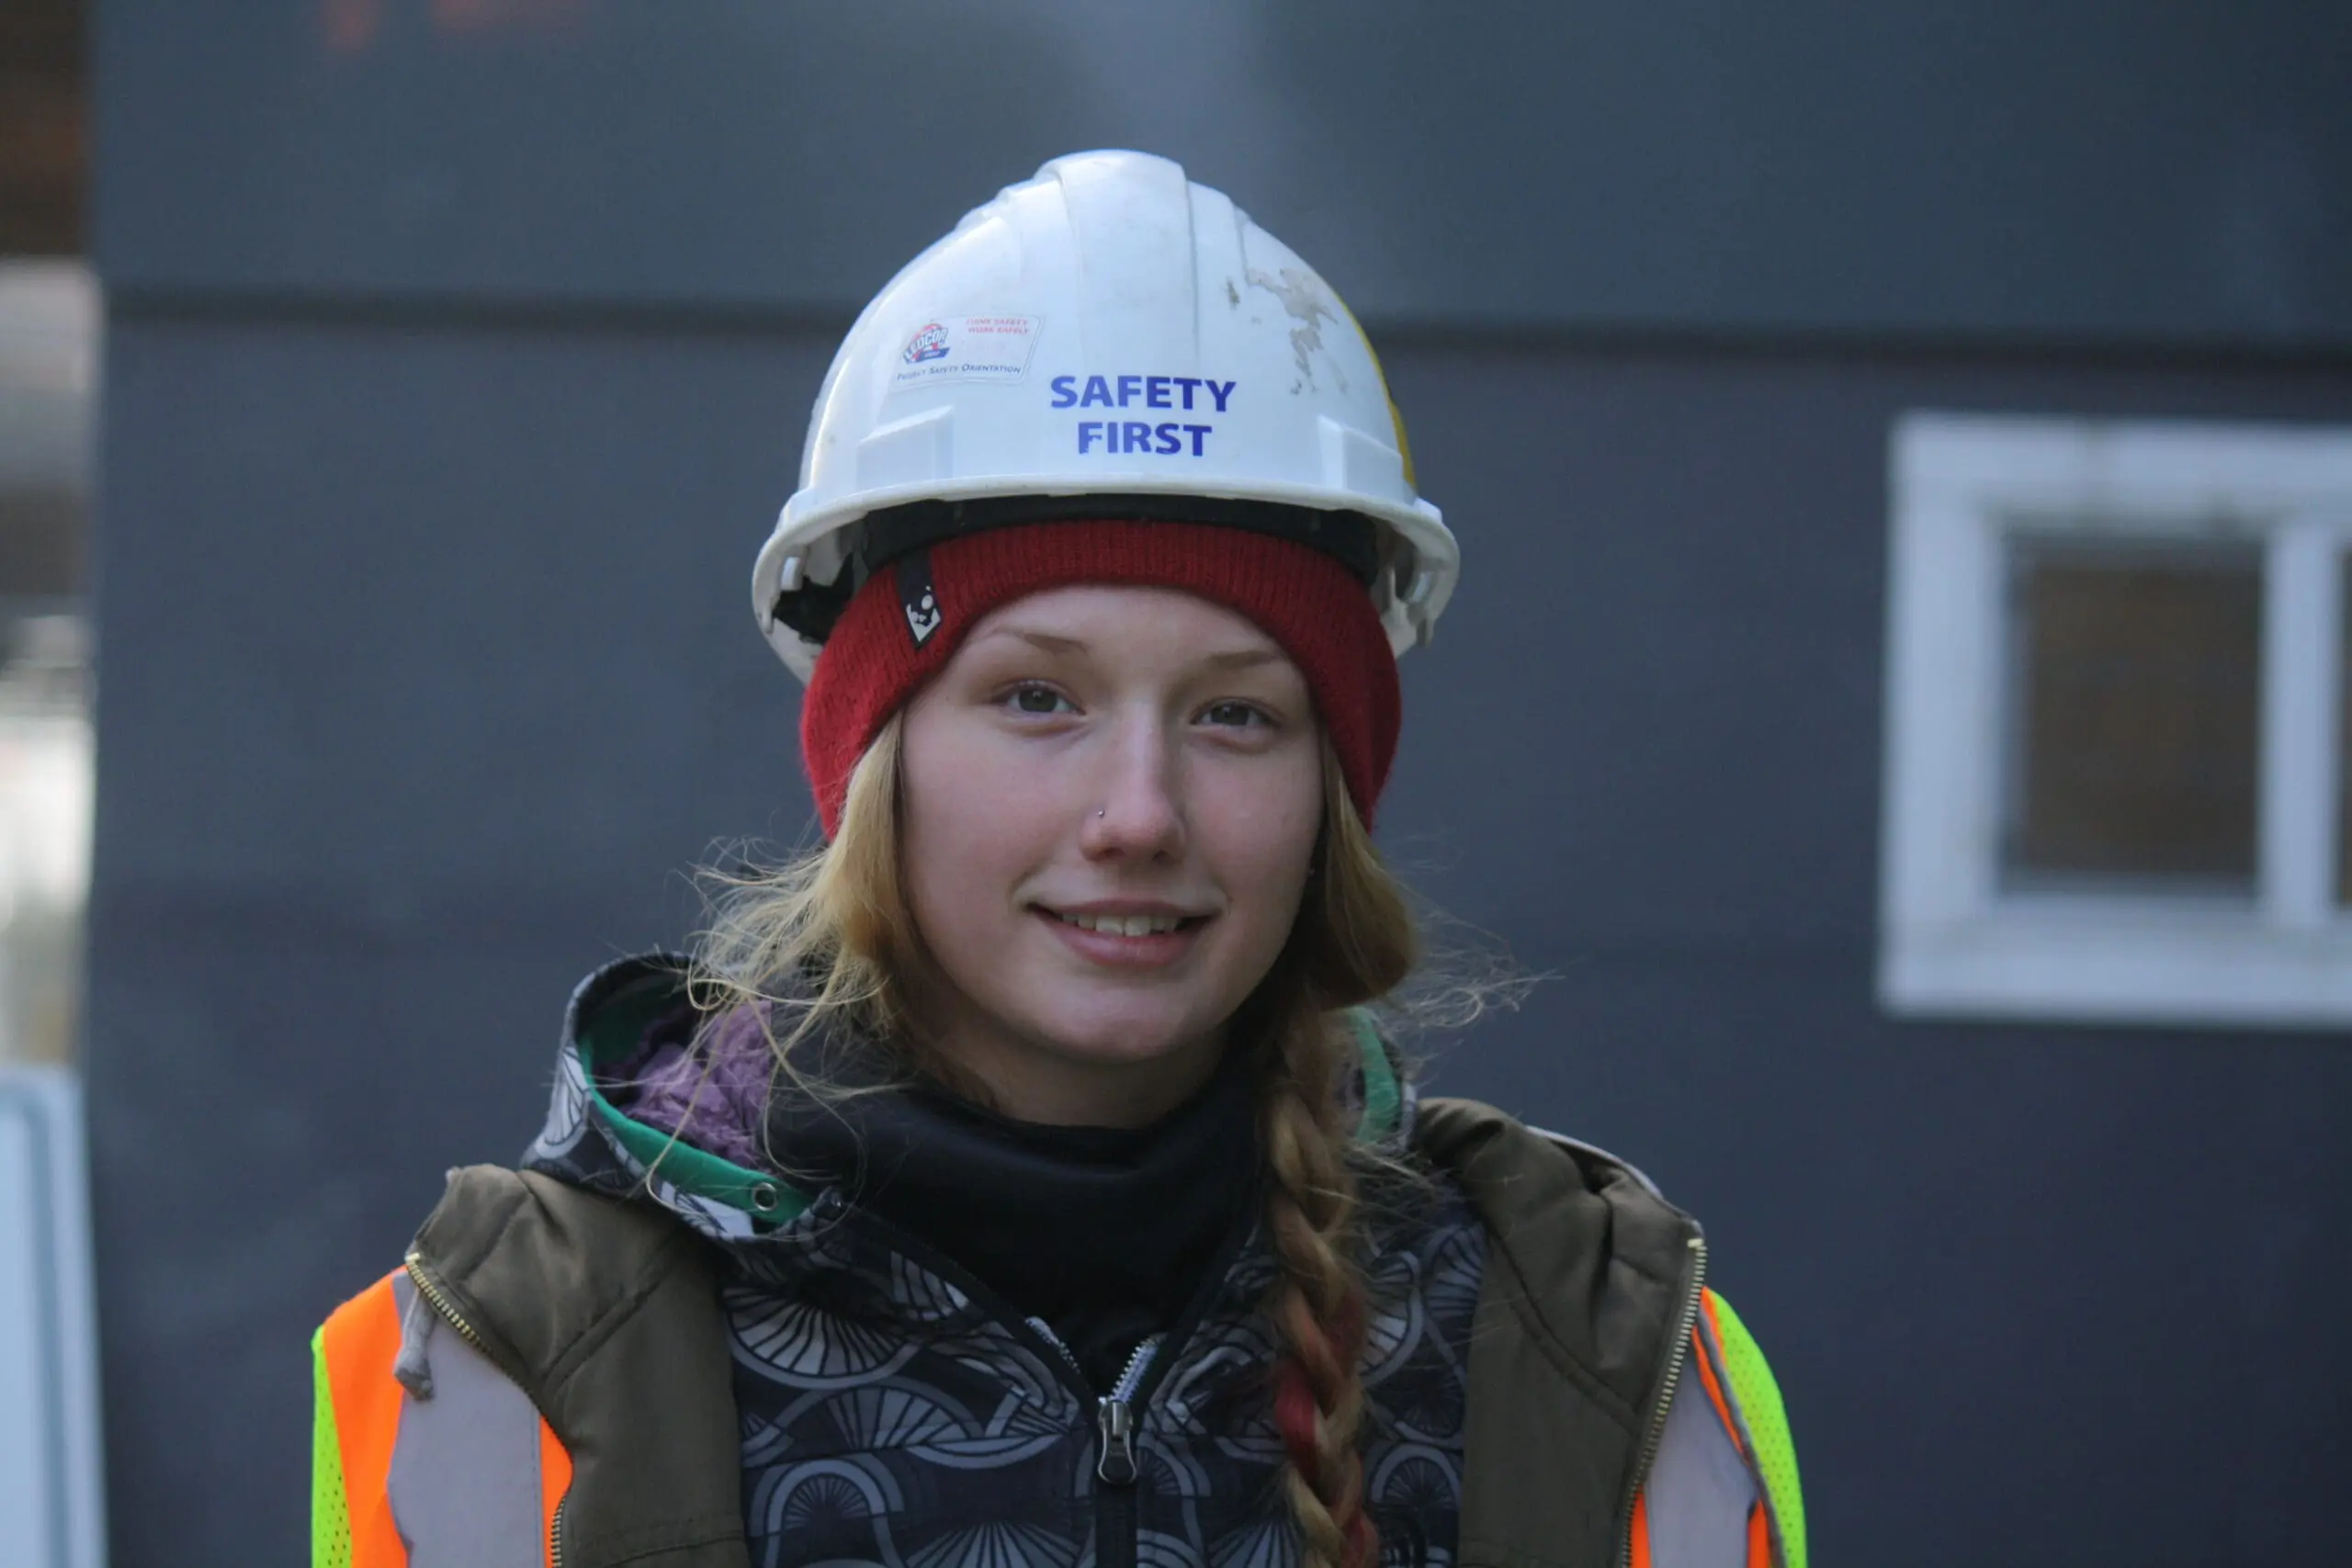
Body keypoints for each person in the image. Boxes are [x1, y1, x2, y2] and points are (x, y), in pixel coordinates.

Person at [311, 150, 1805, 1568]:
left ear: (1328, 794)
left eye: (1236, 713)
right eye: (1038, 697)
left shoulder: (1605, 1351)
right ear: (874, 758)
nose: (1139, 812)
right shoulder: (495, 1359)